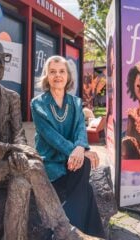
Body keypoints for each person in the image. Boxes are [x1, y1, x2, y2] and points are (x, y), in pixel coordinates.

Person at [0, 36, 98, 240]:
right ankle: (65, 231)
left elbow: (19, 134)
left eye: (4, 58)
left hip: (11, 164)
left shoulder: (12, 97)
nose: (1, 63)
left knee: (21, 183)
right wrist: (12, 150)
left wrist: (18, 151)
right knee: (35, 167)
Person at [30, 55, 105, 238]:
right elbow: (51, 137)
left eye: (61, 71)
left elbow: (81, 130)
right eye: (53, 72)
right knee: (85, 187)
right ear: (47, 76)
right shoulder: (37, 104)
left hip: (72, 161)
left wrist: (81, 149)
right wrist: (79, 151)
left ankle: (66, 235)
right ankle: (95, 234)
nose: (58, 76)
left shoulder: (76, 103)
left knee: (84, 164)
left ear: (68, 76)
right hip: (51, 164)